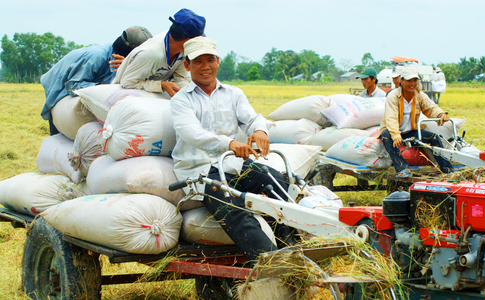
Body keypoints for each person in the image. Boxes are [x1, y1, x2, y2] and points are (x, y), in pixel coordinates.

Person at [170, 36, 296, 263]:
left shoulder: (233, 94)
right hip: (200, 169)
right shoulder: (181, 101)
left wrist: (259, 130)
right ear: (187, 66)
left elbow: (252, 118)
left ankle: (293, 249)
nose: (205, 66)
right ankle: (271, 262)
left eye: (210, 60)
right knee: (232, 205)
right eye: (198, 61)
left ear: (218, 61)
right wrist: (229, 143)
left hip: (233, 164)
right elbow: (192, 133)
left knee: (276, 181)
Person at [41, 26, 152, 135]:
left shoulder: (122, 62)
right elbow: (74, 85)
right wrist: (103, 88)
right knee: (60, 132)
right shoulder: (96, 57)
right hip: (57, 87)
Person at [112, 8, 205, 98]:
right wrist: (161, 85)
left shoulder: (183, 51)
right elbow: (127, 83)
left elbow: (181, 79)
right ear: (188, 41)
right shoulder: (153, 53)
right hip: (122, 93)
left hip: (149, 94)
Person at [378, 68, 454, 177]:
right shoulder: (393, 96)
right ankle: (402, 169)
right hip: (392, 131)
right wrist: (395, 135)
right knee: (385, 135)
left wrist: (441, 114)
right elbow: (391, 118)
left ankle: (447, 169)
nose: (413, 84)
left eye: (415, 80)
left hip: (411, 132)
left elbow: (431, 107)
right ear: (402, 81)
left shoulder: (420, 95)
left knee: (434, 138)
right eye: (409, 80)